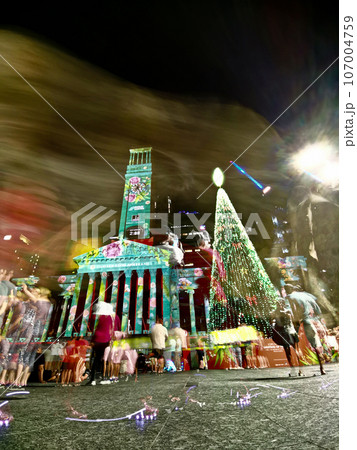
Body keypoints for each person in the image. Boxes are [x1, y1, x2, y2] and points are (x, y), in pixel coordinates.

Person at [285, 284, 326, 375]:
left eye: (286, 289)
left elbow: (290, 311)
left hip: (298, 323)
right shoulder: (305, 296)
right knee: (315, 344)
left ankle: (299, 370)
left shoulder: (289, 297)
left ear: (290, 289)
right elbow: (317, 309)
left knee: (296, 345)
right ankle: (322, 368)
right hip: (308, 321)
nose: (286, 290)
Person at [88, 303, 121, 385]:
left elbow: (95, 327)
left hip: (97, 339)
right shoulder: (115, 317)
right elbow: (118, 328)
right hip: (108, 340)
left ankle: (93, 379)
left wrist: (92, 340)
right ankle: (105, 377)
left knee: (96, 359)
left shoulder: (100, 316)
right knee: (107, 359)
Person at [271, 298, 301, 376]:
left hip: (289, 332)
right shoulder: (276, 313)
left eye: (280, 303)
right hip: (286, 332)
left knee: (295, 350)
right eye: (278, 303)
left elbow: (293, 321)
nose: (279, 305)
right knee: (288, 351)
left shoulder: (286, 312)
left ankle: (300, 369)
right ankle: (294, 369)